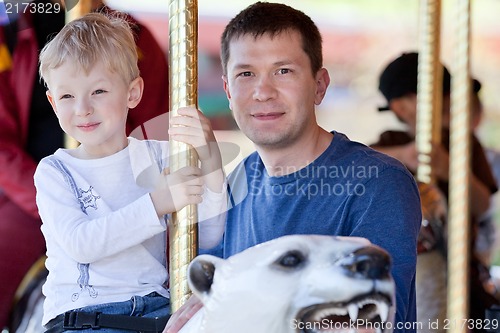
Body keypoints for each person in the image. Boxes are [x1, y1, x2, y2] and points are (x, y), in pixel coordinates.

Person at [165, 2, 421, 332]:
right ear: (228, 91)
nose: (262, 92)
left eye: (283, 71)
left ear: (319, 85)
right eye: (246, 74)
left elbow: (376, 320)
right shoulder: (237, 181)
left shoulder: (378, 184)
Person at [34, 12, 226, 332]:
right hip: (85, 316)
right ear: (53, 102)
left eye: (98, 91)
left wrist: (210, 156)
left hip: (155, 307)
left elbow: (209, 233)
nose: (83, 108)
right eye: (67, 96)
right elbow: (82, 244)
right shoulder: (55, 171)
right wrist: (157, 203)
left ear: (132, 93)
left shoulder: (163, 156)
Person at [0, 0, 168, 329]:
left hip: (126, 180)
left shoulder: (135, 38)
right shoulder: (7, 34)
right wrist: (51, 200)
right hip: (28, 191)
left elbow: (155, 124)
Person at [371, 52, 498, 329]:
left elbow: (483, 204)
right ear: (400, 107)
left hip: (459, 271)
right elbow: (354, 162)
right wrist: (403, 154)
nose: (449, 101)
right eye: (438, 94)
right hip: (402, 270)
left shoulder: (464, 143)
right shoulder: (389, 143)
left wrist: (451, 169)